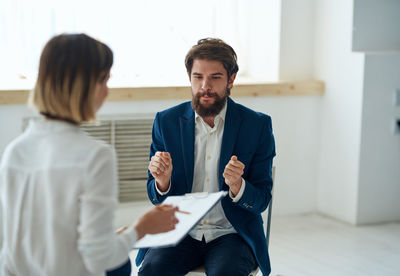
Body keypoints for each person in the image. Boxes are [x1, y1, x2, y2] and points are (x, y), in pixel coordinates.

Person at [0, 33, 179, 276]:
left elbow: (21, 246)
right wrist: (142, 228)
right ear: (81, 86)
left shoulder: (15, 151)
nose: (106, 92)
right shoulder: (95, 156)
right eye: (103, 80)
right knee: (122, 264)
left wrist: (109, 239)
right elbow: (99, 257)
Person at [136, 38, 276, 276]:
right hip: (180, 231)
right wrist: (162, 182)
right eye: (198, 77)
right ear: (189, 77)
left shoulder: (257, 125)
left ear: (231, 79)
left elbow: (262, 200)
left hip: (231, 234)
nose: (205, 86)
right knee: (151, 270)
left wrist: (237, 186)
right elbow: (156, 198)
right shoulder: (166, 121)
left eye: (215, 77)